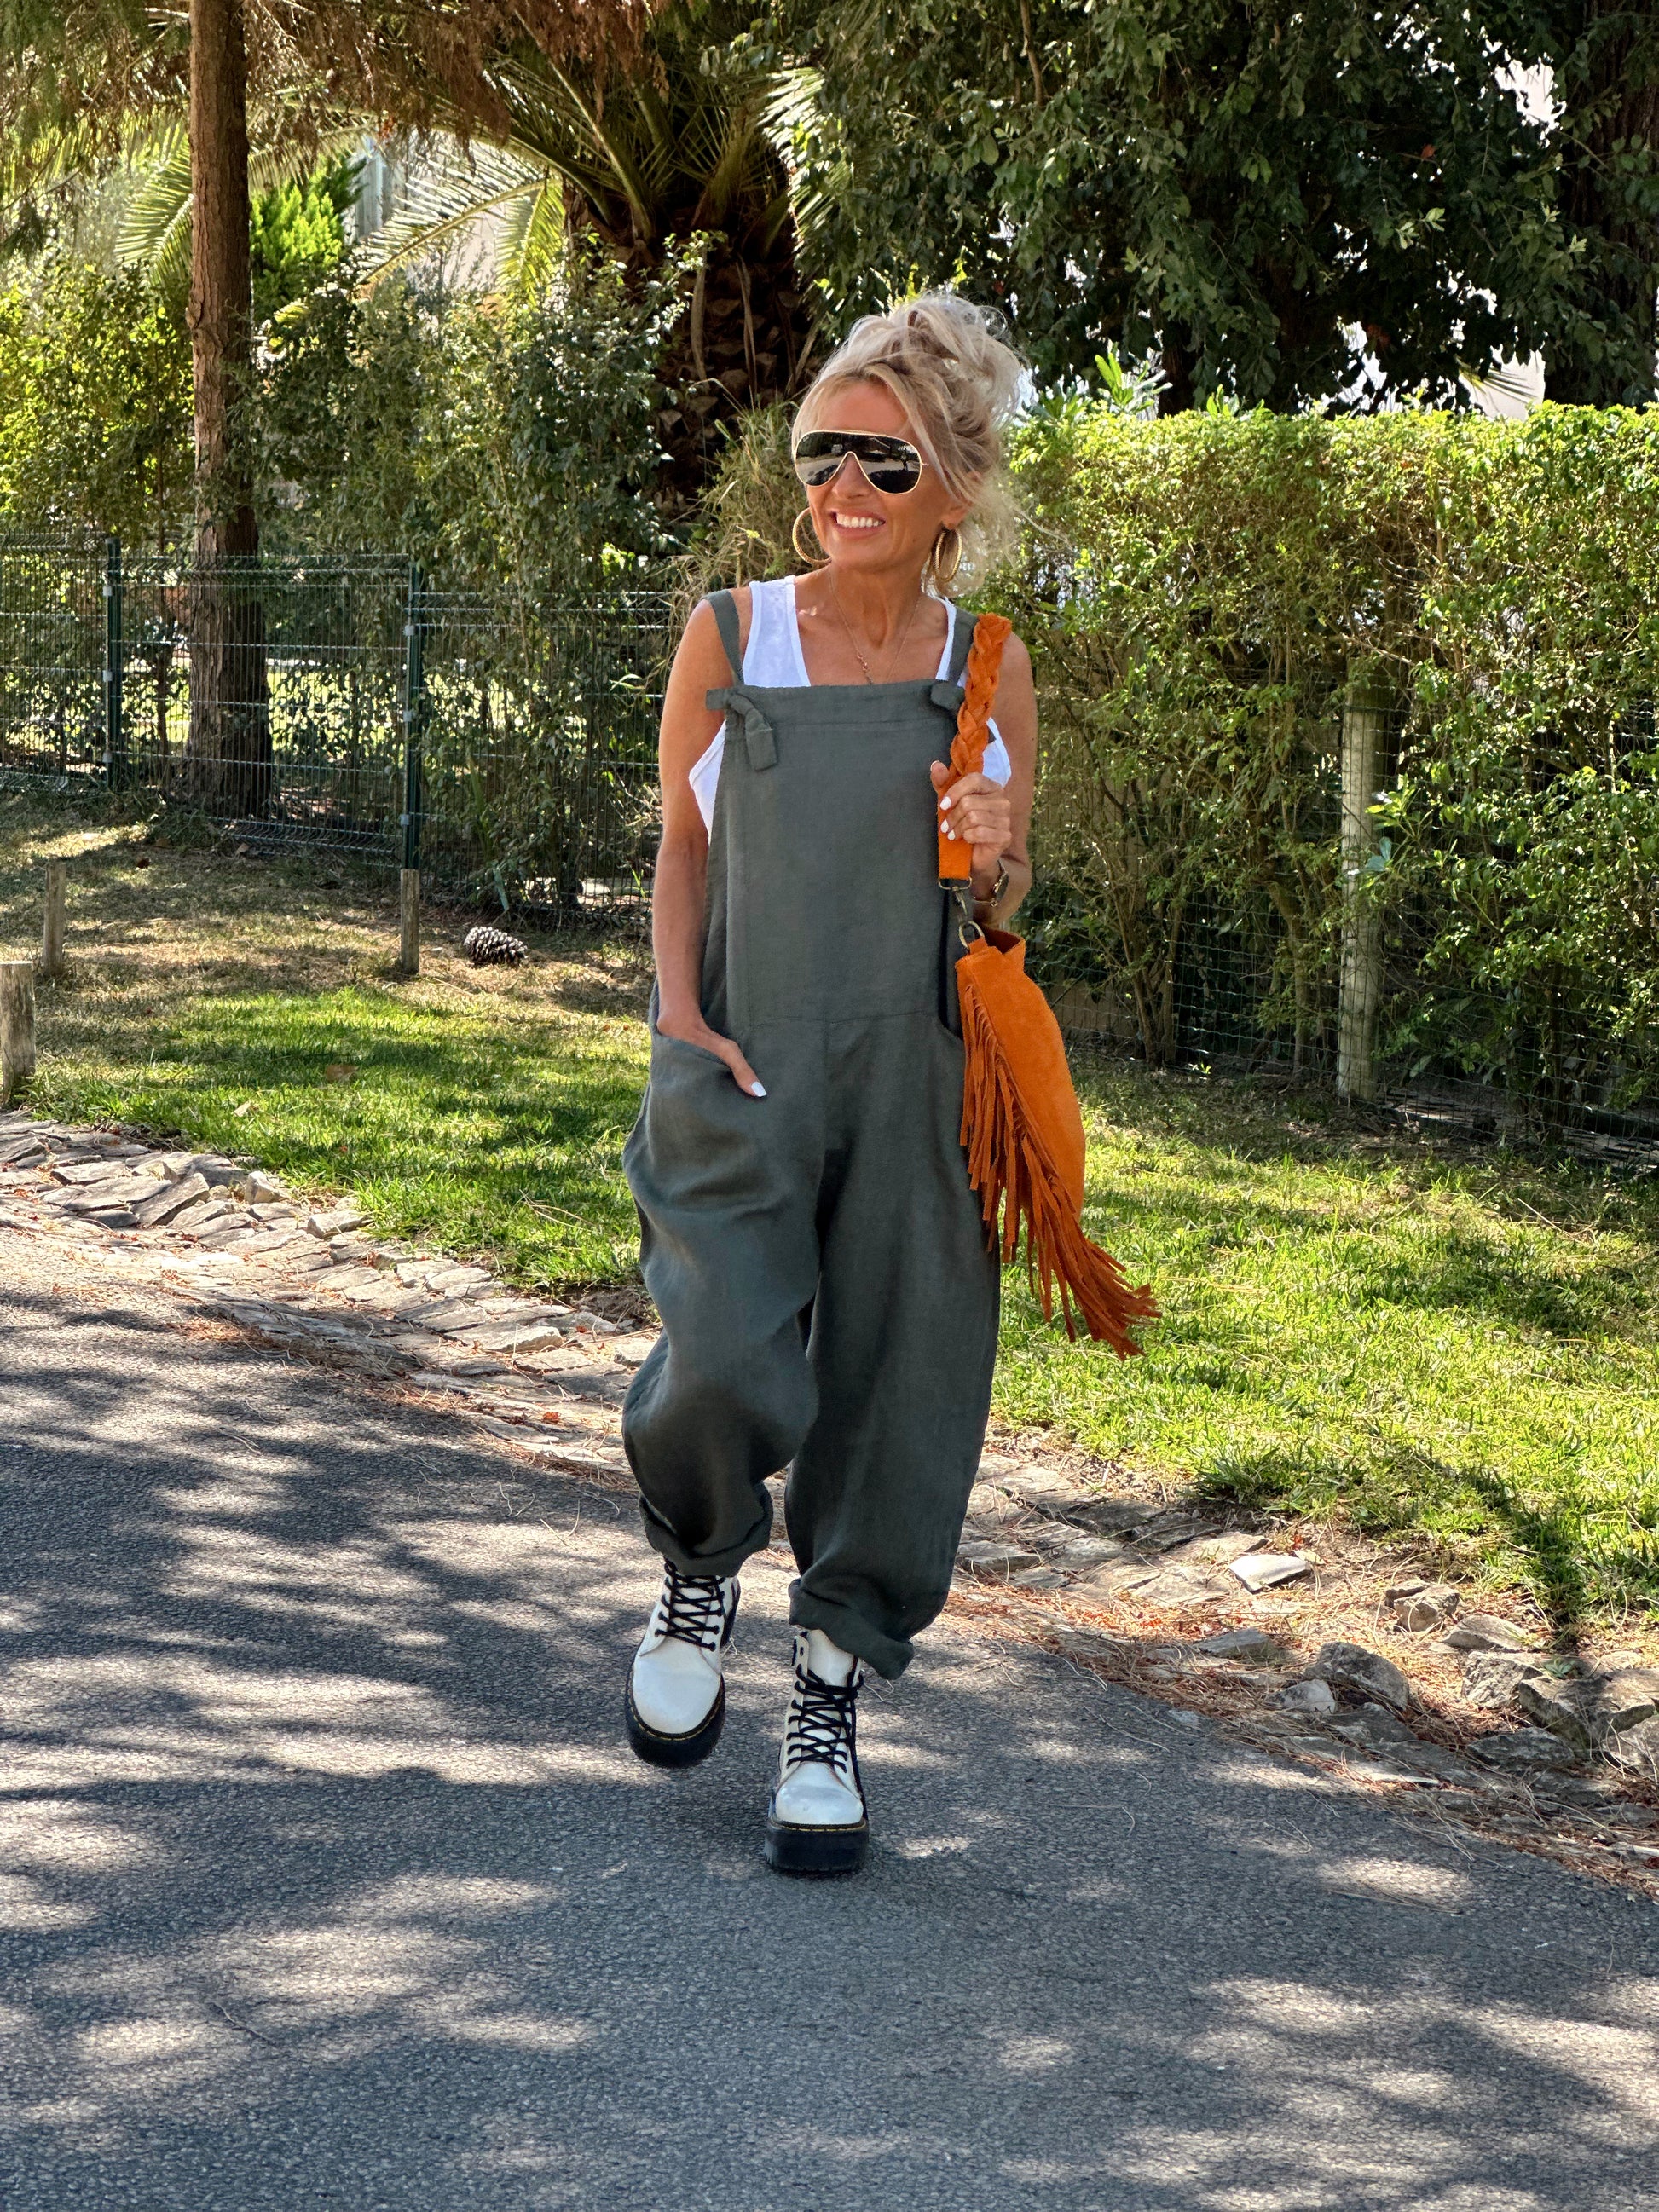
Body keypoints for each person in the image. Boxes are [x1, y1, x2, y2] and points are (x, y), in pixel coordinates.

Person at [620, 294, 1036, 1876]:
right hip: (743, 1055)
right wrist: (678, 1011)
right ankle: (699, 1565)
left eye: (883, 460)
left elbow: (1000, 907)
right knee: (720, 1349)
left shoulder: (986, 664)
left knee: (902, 1388)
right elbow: (683, 840)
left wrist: (996, 860)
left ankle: (826, 1702)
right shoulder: (731, 637)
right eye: (820, 454)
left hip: (921, 1076)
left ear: (952, 488)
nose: (841, 487)